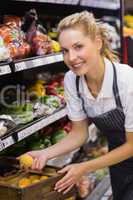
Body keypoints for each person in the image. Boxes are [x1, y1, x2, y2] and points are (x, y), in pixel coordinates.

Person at [23, 11, 133, 200]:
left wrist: (83, 167)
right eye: (65, 50)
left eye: (78, 47)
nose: (71, 57)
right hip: (118, 157)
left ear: (98, 42)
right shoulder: (72, 80)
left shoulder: (126, 80)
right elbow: (79, 133)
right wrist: (44, 153)